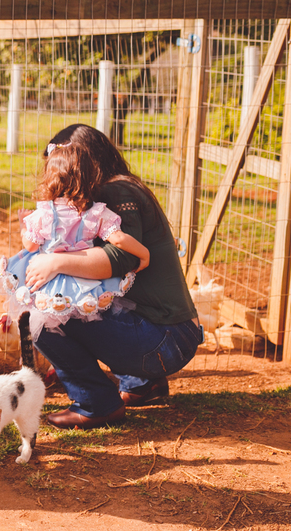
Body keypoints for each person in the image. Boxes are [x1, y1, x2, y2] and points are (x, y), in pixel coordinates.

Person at [22, 124, 203, 430]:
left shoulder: (115, 192)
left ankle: (97, 405)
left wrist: (54, 261)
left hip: (165, 341)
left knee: (43, 318)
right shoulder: (119, 187)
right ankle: (142, 384)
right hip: (170, 336)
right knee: (84, 298)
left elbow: (123, 257)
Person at [0, 138, 152, 339]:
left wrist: (23, 226)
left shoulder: (45, 212)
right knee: (82, 322)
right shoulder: (96, 212)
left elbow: (31, 246)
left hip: (46, 282)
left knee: (45, 325)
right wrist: (144, 253)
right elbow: (119, 239)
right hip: (82, 281)